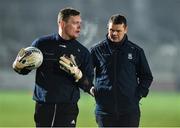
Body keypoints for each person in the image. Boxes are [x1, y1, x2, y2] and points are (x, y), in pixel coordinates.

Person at [12, 7, 94, 127]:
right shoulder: (41, 44)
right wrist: (18, 66)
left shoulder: (83, 52)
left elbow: (88, 85)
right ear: (62, 23)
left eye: (80, 23)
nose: (79, 27)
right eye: (75, 23)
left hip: (68, 109)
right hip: (44, 107)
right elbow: (24, 70)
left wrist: (78, 74)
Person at [90, 14, 153, 127]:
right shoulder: (96, 50)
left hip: (129, 112)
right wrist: (89, 88)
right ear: (107, 29)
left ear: (125, 29)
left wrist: (137, 96)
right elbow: (85, 72)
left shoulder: (136, 51)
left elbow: (147, 76)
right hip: (104, 112)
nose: (114, 33)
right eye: (111, 30)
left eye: (118, 30)